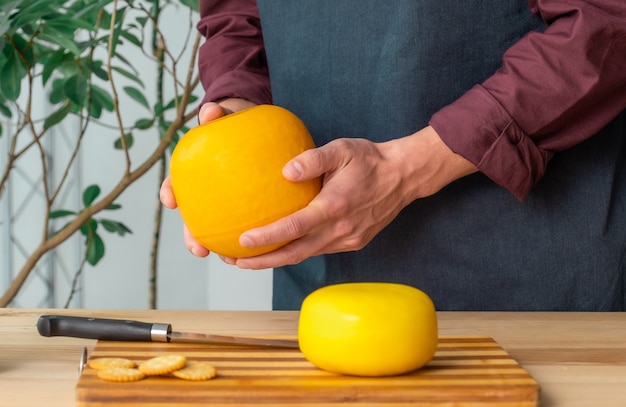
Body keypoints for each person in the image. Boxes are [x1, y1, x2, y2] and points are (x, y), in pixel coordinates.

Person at [161, 0, 626, 311]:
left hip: (529, 275)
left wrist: (405, 170)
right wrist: (236, 114)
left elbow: (605, 21)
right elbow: (236, 14)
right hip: (325, 284)